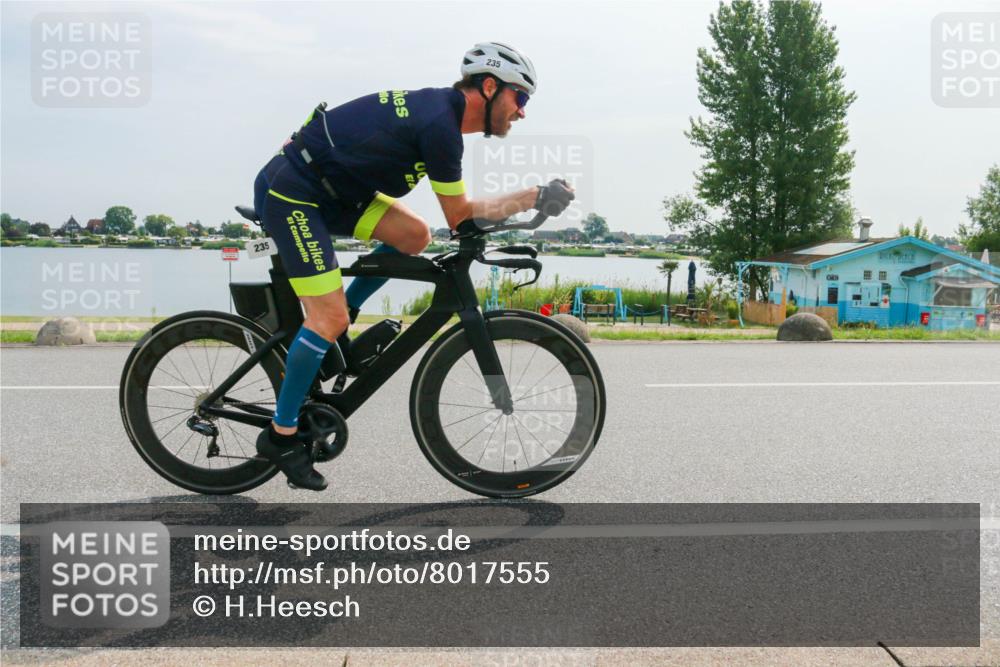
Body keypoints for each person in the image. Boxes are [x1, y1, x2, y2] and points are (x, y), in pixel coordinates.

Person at [252, 42, 576, 491]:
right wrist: (532, 196)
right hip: (293, 193)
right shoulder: (438, 125)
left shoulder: (440, 118)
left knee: (414, 236)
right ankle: (281, 436)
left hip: (333, 192)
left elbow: (455, 220)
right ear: (489, 86)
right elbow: (460, 215)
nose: (521, 112)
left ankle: (332, 340)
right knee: (327, 316)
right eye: (519, 98)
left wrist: (524, 204)